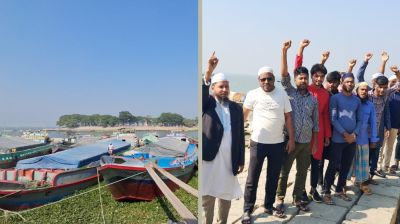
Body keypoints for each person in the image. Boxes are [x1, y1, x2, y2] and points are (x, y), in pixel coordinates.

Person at [241, 54, 294, 222]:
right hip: (258, 143)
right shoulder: (252, 94)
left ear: (274, 79)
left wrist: (291, 139)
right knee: (252, 178)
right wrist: (236, 138)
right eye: (263, 79)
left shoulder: (282, 94)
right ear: (258, 80)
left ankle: (268, 205)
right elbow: (242, 117)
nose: (266, 82)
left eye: (269, 79)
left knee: (273, 177)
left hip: (277, 144)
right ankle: (247, 210)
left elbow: (288, 118)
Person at [275, 40, 319, 213]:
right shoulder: (289, 92)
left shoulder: (313, 99)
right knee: (284, 172)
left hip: (307, 142)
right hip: (290, 141)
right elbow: (284, 74)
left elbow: (316, 123)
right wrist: (284, 51)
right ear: (295, 80)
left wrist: (314, 143)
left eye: (305, 78)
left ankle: (297, 198)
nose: (302, 80)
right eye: (300, 78)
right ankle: (279, 199)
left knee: (302, 172)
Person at [201, 52, 245, 224]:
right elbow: (202, 94)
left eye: (227, 86)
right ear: (213, 88)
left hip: (229, 159)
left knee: (226, 196)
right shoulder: (207, 104)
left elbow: (240, 135)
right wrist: (208, 73)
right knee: (208, 196)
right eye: (221, 86)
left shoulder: (236, 108)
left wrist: (241, 159)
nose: (224, 90)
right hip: (210, 158)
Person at [294, 39, 331, 203]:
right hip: (302, 132)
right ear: (311, 77)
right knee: (302, 164)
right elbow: (297, 68)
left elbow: (325, 115)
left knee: (317, 162)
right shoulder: (305, 89)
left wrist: (327, 135)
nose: (319, 79)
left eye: (322, 77)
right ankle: (300, 191)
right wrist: (300, 49)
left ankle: (313, 189)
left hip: (319, 132)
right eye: (316, 76)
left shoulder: (325, 94)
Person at [356, 52, 400, 180]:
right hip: (365, 130)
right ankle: (362, 177)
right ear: (375, 85)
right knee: (365, 154)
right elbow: (359, 77)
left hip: (378, 129)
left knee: (376, 153)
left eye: (384, 88)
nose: (382, 90)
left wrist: (397, 73)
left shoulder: (386, 94)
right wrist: (365, 61)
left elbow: (398, 85)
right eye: (380, 87)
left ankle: (372, 173)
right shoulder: (367, 93)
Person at [323, 72, 362, 205]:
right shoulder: (335, 98)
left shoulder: (357, 100)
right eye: (347, 81)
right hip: (338, 139)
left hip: (352, 140)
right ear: (342, 82)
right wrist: (345, 134)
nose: (350, 84)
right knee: (333, 166)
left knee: (346, 166)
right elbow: (333, 119)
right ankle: (326, 192)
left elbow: (360, 120)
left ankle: (340, 190)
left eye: (352, 81)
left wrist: (354, 135)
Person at [348, 82, 379, 195]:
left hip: (363, 139)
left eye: (366, 90)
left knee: (363, 163)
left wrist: (374, 140)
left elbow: (373, 123)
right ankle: (346, 182)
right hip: (350, 138)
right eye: (361, 89)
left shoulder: (370, 105)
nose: (364, 91)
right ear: (357, 90)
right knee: (349, 162)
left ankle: (362, 184)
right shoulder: (351, 102)